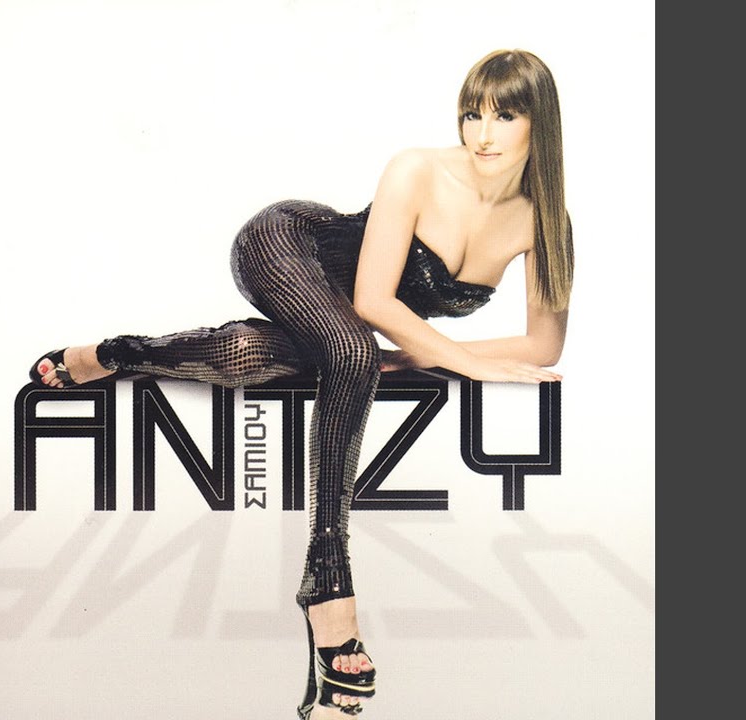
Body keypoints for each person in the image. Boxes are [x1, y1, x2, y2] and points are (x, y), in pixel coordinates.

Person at [29, 49, 573, 716]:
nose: (482, 135)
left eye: (504, 116)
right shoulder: (418, 169)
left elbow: (542, 344)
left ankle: (119, 354)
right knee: (352, 350)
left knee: (251, 353)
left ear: (540, 122)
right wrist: (457, 359)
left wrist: (423, 355)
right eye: (471, 115)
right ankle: (328, 582)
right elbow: (373, 303)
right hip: (288, 245)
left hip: (340, 326)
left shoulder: (542, 221)